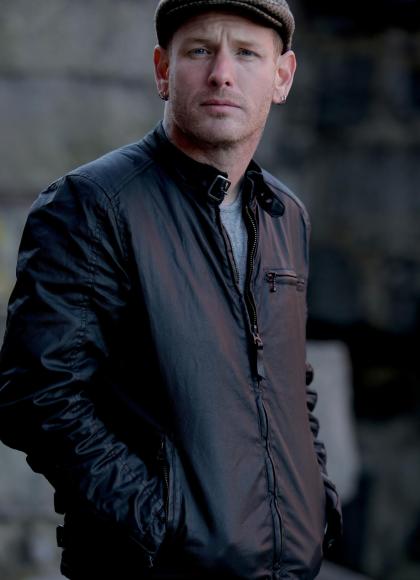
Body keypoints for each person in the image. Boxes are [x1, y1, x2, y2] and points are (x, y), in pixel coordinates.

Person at [0, 0, 342, 578]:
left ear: (282, 77)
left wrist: (316, 502)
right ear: (163, 70)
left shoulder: (285, 214)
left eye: (247, 54)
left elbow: (287, 381)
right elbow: (38, 395)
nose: (222, 74)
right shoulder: (92, 205)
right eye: (201, 50)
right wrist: (164, 526)